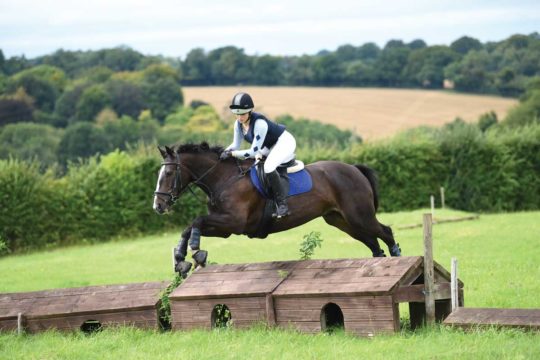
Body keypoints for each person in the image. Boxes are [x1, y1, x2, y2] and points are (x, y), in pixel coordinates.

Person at [220, 92, 296, 218]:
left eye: (243, 114)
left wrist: (232, 154)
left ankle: (282, 205)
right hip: (268, 146)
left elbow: (253, 151)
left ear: (250, 111)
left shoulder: (259, 124)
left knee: (268, 167)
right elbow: (235, 144)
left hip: (284, 142)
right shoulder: (238, 124)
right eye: (237, 114)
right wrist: (224, 152)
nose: (240, 118)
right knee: (256, 166)